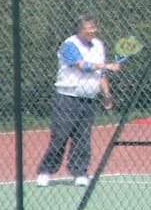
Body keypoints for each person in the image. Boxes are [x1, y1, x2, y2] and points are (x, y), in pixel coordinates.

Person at [35, 17, 117, 187]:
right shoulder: (69, 45)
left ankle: (80, 173)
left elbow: (100, 74)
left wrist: (107, 94)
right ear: (80, 30)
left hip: (88, 100)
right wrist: (106, 65)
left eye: (94, 27)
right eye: (89, 28)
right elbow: (83, 66)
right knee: (60, 136)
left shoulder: (99, 45)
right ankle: (46, 171)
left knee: (83, 138)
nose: (93, 30)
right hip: (66, 98)